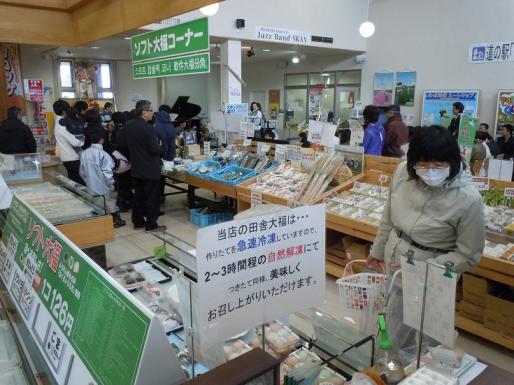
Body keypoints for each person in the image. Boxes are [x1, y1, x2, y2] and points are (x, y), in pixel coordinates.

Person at [369, 125, 484, 275]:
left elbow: (468, 255)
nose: (430, 171)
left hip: (435, 269)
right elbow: (387, 218)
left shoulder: (469, 199)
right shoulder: (403, 172)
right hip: (393, 253)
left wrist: (423, 268)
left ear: (453, 161)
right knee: (391, 297)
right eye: (422, 165)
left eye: (438, 165)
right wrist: (377, 251)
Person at [119, 100, 165, 232]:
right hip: (150, 168)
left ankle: (138, 221)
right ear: (144, 112)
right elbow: (154, 149)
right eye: (151, 110)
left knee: (139, 196)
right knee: (152, 197)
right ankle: (151, 224)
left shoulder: (128, 126)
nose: (152, 113)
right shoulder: (149, 129)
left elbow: (123, 145)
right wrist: (161, 147)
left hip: (136, 167)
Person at [79, 127, 126, 228]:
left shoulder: (84, 153)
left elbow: (82, 171)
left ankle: (99, 221)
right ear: (102, 139)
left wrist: (87, 181)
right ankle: (115, 220)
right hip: (103, 184)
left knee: (95, 203)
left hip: (90, 184)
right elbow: (108, 172)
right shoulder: (103, 154)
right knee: (109, 201)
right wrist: (111, 183)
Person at [53, 100, 85, 184]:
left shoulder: (63, 122)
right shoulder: (61, 125)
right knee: (78, 182)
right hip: (71, 157)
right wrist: (82, 140)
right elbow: (75, 142)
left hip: (70, 156)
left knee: (75, 180)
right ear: (64, 111)